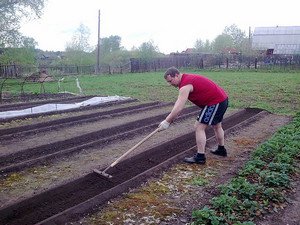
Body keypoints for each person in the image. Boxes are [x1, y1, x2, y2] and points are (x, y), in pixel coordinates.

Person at [158, 67, 229, 164]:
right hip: (221, 100)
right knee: (217, 125)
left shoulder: (185, 85)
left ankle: (200, 157)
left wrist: (167, 121)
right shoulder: (186, 79)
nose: (170, 84)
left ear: (177, 75)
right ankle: (221, 149)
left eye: (171, 81)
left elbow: (178, 107)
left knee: (199, 127)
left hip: (215, 102)